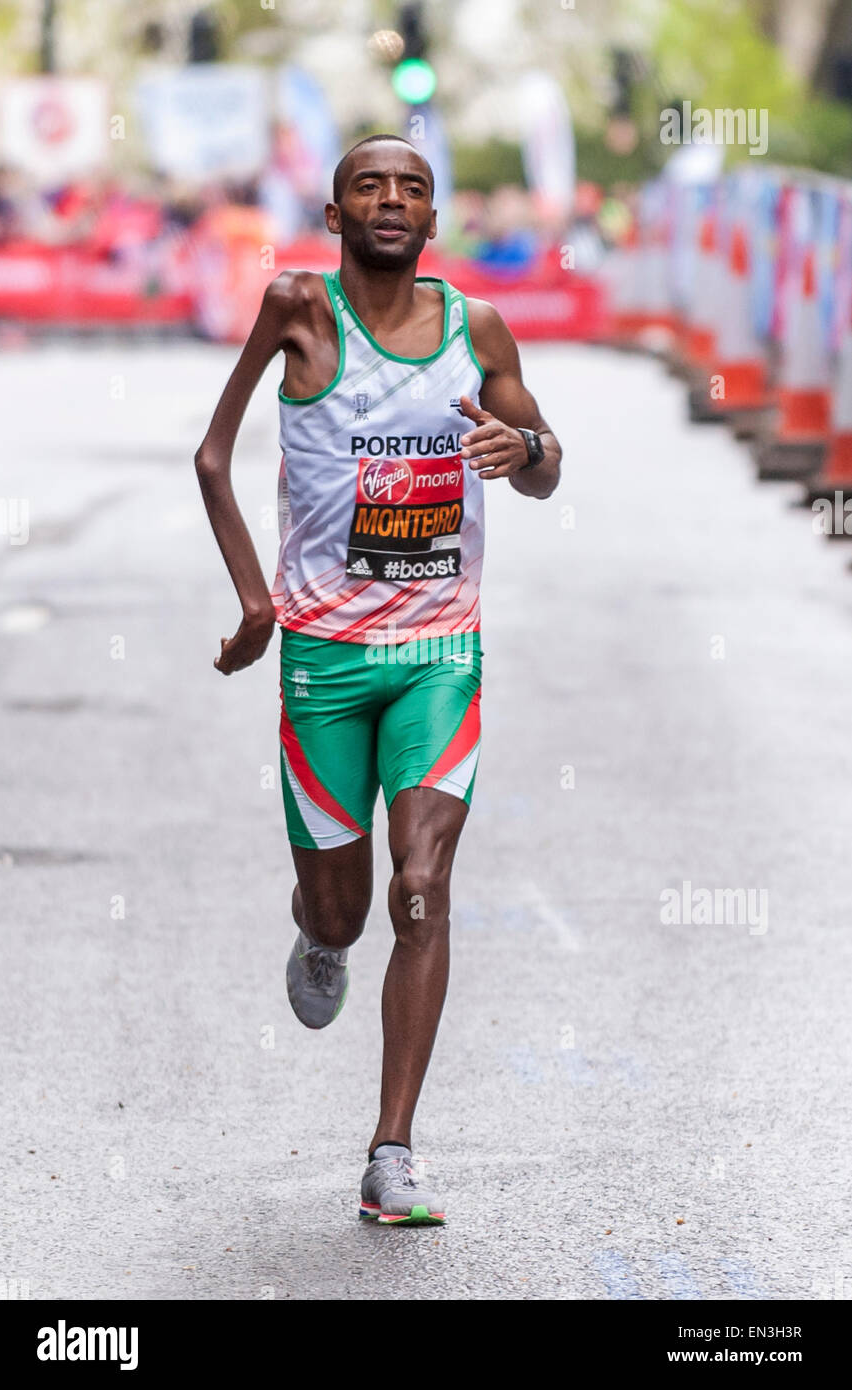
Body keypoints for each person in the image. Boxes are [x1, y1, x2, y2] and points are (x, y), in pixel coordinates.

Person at [194, 134, 561, 1226]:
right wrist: (257, 601)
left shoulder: (476, 328)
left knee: (424, 888)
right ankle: (315, 923)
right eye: (370, 186)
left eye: (411, 188)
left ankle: (390, 1150)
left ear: (433, 220)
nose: (391, 200)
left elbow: (543, 461)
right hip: (322, 660)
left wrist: (523, 453)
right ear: (335, 210)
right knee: (348, 912)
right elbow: (213, 457)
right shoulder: (299, 309)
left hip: (438, 652)